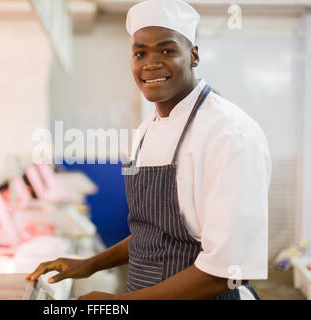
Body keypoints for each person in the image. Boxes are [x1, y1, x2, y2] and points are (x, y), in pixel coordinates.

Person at [26, 0, 271, 300]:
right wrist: (90, 265)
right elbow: (152, 235)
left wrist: (117, 304)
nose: (150, 63)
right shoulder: (144, 132)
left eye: (167, 51)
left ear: (194, 55)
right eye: (140, 53)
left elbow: (228, 269)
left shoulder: (229, 133)